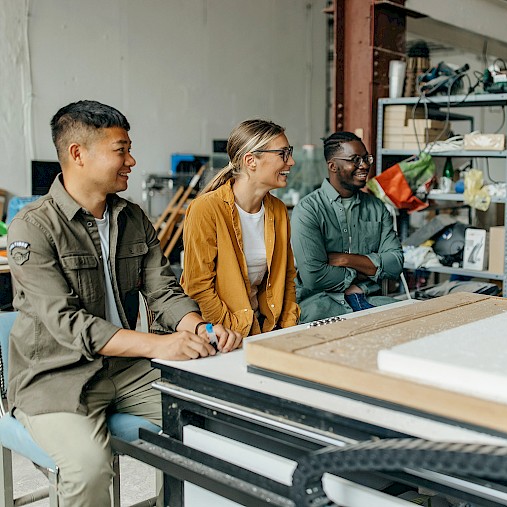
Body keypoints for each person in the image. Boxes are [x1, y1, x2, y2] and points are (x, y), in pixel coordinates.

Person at [6, 100, 242, 506]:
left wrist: (198, 327)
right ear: (78, 154)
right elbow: (67, 324)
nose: (132, 160)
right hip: (56, 378)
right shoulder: (32, 226)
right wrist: (158, 344)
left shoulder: (132, 217)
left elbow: (163, 291)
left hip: (127, 368)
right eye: (121, 150)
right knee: (88, 468)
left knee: (216, 424)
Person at [181, 119, 300, 335]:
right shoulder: (206, 209)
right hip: (219, 333)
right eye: (283, 154)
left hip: (264, 328)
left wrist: (288, 330)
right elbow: (198, 288)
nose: (290, 161)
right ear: (250, 160)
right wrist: (238, 331)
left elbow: (288, 278)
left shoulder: (278, 211)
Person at [290, 131, 403, 323]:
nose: (365, 165)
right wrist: (367, 268)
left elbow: (395, 263)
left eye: (366, 158)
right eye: (355, 160)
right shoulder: (308, 210)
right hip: (321, 305)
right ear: (333, 166)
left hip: (370, 299)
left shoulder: (376, 207)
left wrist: (343, 259)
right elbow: (313, 277)